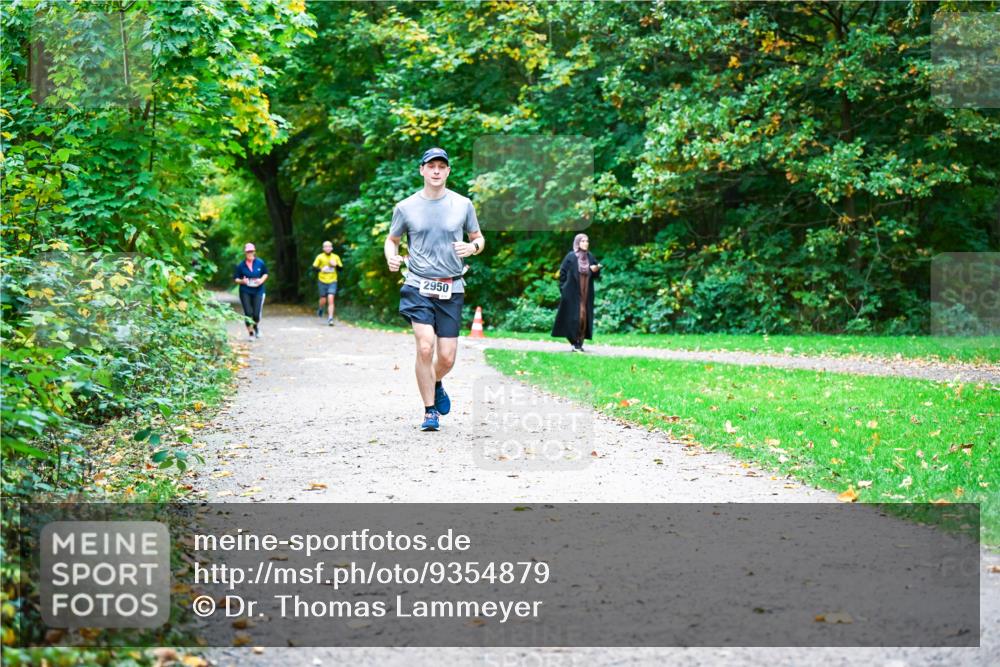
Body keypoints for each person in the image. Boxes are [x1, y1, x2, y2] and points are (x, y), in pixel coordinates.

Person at [384, 147, 484, 431]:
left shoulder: (463, 204)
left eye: (442, 166)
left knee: (447, 357)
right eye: (431, 166)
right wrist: (391, 255)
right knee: (425, 346)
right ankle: (430, 411)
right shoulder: (405, 207)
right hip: (417, 284)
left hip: (451, 287)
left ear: (448, 171)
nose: (437, 171)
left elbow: (478, 238)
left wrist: (472, 247)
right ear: (422, 170)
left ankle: (436, 381)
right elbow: (392, 239)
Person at [551, 233, 601, 351]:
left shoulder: (590, 256)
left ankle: (579, 342)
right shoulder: (571, 256)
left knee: (584, 317)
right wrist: (563, 289)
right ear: (577, 243)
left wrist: (595, 270)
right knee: (575, 317)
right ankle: (574, 342)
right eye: (583, 241)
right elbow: (562, 273)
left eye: (587, 241)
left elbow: (596, 274)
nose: (585, 243)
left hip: (586, 293)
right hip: (572, 293)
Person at [233, 242, 268, 339]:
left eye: (251, 251)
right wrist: (242, 281)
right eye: (248, 251)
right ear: (245, 252)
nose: (250, 253)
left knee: (256, 314)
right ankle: (251, 333)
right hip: (245, 291)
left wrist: (261, 280)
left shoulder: (260, 263)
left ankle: (256, 327)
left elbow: (265, 273)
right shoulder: (241, 265)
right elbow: (236, 278)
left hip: (258, 290)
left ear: (254, 252)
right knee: (248, 313)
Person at [312, 240, 343, 326]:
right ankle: (321, 308)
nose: (328, 248)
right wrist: (321, 269)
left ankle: (330, 318)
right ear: (323, 248)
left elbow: (341, 269)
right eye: (326, 247)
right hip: (322, 280)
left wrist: (335, 265)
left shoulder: (335, 257)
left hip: (333, 281)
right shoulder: (320, 257)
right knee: (323, 299)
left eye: (329, 246)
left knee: (331, 298)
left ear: (332, 248)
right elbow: (313, 268)